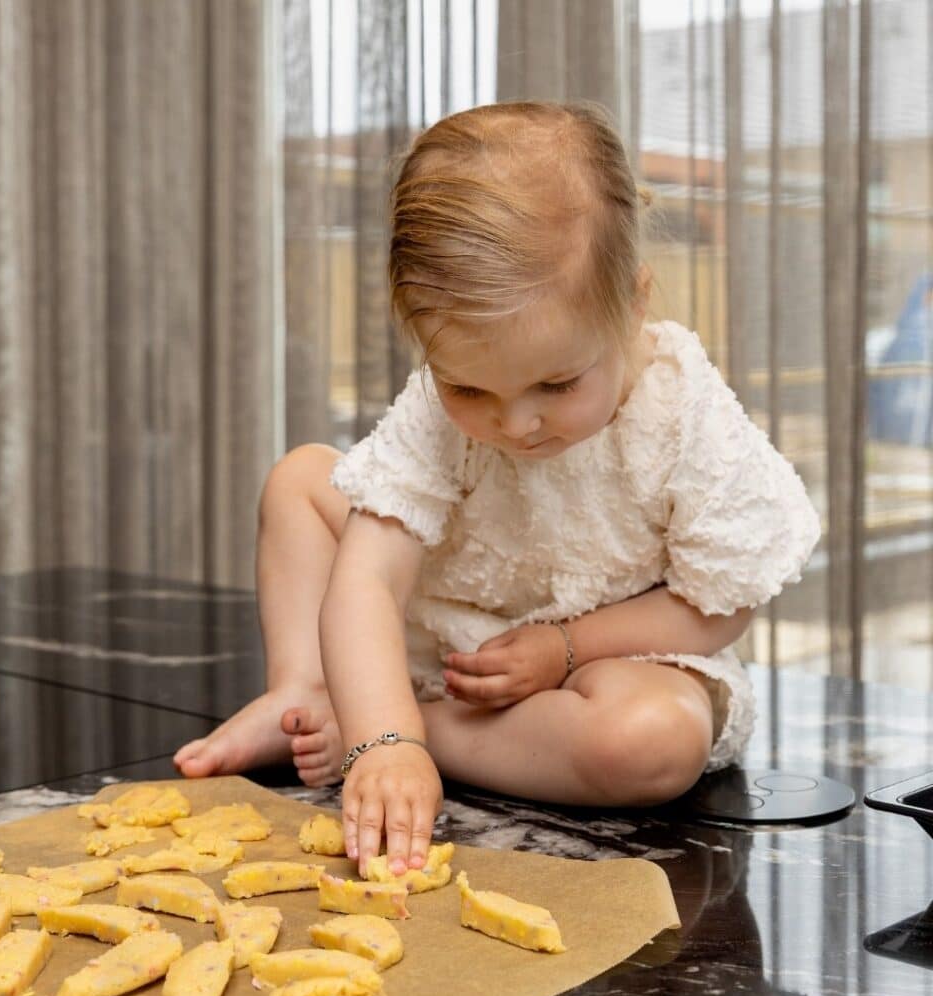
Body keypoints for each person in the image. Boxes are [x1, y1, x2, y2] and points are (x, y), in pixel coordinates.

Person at [174, 101, 820, 879]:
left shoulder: (683, 409)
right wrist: (389, 742)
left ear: (634, 304)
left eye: (556, 382)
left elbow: (720, 603)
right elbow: (370, 582)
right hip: (451, 641)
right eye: (467, 388)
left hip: (605, 662)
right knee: (301, 480)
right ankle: (309, 693)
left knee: (650, 741)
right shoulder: (435, 409)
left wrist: (560, 650)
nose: (516, 423)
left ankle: (385, 726)